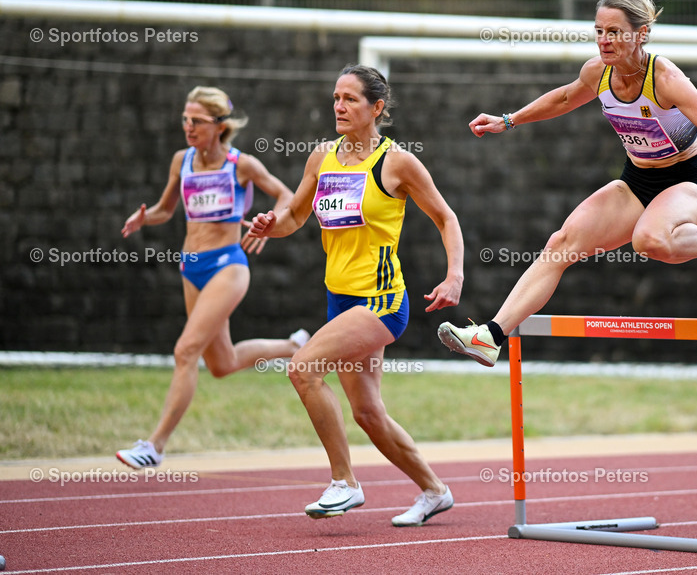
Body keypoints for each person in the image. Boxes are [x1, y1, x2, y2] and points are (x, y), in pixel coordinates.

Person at [438, 0, 697, 367]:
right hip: (637, 180)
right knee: (560, 244)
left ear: (641, 34)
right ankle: (491, 336)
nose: (604, 40)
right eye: (599, 30)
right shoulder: (597, 72)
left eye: (615, 32)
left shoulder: (664, 77)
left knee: (650, 239)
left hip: (689, 181)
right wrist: (508, 120)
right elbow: (566, 98)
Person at [247, 64, 464, 527]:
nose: (339, 107)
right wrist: (272, 224)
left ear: (376, 108)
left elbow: (446, 218)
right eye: (335, 98)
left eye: (349, 99)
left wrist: (455, 276)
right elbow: (294, 217)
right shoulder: (321, 157)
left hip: (382, 301)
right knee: (367, 412)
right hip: (340, 299)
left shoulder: (396, 162)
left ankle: (344, 483)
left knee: (303, 369)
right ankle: (434, 490)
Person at [117, 86, 304, 469]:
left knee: (186, 351)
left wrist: (269, 223)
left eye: (197, 121)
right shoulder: (181, 161)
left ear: (219, 126)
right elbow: (165, 210)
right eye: (185, 119)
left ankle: (154, 446)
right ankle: (292, 345)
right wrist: (144, 217)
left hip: (228, 266)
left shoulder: (241, 164)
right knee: (222, 363)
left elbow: (286, 195)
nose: (188, 127)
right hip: (191, 267)